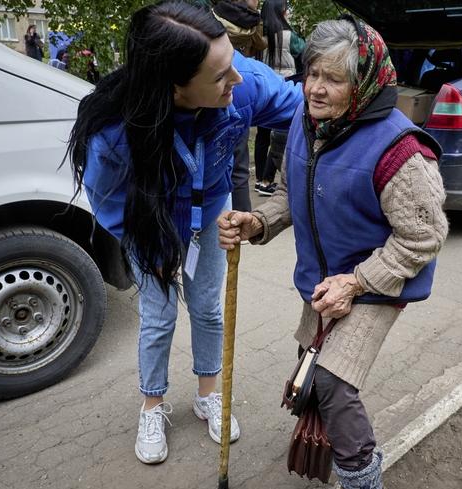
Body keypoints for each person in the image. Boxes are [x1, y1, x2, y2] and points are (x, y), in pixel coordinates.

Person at [218, 17, 448, 489]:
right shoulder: (306, 120)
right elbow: (287, 195)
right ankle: (322, 447)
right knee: (311, 364)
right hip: (322, 282)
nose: (315, 88)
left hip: (374, 283)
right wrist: (257, 221)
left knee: (332, 379)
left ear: (363, 82)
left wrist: (358, 282)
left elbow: (424, 237)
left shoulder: (400, 151)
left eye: (333, 78)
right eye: (311, 73)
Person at [67, 1, 301, 465]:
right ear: (174, 88)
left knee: (208, 309)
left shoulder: (243, 85)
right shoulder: (114, 130)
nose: (235, 80)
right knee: (159, 316)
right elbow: (107, 198)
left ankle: (208, 394)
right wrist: (144, 246)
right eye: (219, 76)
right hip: (148, 224)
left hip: (210, 216)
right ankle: (152, 405)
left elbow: (307, 111)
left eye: (231, 63)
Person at [213, 0, 268, 211]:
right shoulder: (249, 21)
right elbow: (260, 45)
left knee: (233, 161)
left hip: (235, 89)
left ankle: (236, 222)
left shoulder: (243, 18)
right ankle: (237, 221)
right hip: (235, 90)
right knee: (236, 162)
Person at [254, 0, 305, 197]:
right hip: (283, 90)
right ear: (282, 11)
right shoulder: (289, 36)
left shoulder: (258, 37)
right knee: (281, 137)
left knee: (262, 137)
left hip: (263, 91)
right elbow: (306, 50)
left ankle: (260, 180)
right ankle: (272, 181)